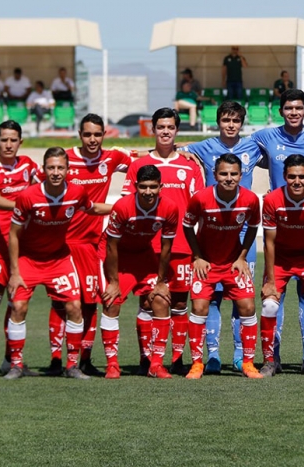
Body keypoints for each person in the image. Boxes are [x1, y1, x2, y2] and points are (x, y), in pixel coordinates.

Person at [251, 88, 304, 374]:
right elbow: (238, 151)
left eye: (298, 108)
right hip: (281, 238)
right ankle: (270, 359)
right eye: (288, 108)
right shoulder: (265, 137)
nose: (293, 112)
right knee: (270, 305)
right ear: (281, 111)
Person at [4, 147, 110, 380]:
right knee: (19, 308)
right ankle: (16, 365)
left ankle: (72, 366)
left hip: (59, 260)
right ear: (43, 170)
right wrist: (14, 272)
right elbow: (13, 234)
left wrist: (122, 207)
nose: (55, 172)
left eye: (60, 167)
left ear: (68, 170)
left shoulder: (76, 192)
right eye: (51, 167)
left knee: (74, 307)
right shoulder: (28, 196)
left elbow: (93, 208)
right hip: (28, 261)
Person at [42, 114, 135, 377]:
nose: (92, 139)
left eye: (97, 134)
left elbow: (142, 164)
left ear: (105, 134)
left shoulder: (112, 158)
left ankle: (84, 359)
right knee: (62, 302)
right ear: (79, 135)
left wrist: (184, 153)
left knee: (91, 301)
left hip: (93, 244)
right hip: (63, 243)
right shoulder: (64, 161)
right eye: (87, 134)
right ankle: (55, 360)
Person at [181, 101, 264, 373]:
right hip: (212, 231)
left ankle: (242, 356)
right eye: (226, 120)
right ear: (218, 122)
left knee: (244, 301)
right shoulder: (204, 146)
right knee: (211, 298)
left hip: (242, 239)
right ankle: (213, 354)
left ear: (242, 123)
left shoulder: (253, 145)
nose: (231, 125)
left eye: (236, 120)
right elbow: (172, 151)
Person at [122, 108, 204, 376]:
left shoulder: (190, 166)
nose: (165, 131)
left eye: (170, 127)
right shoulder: (138, 166)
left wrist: (197, 250)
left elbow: (198, 209)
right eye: (160, 127)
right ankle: (147, 358)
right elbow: (125, 205)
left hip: (180, 245)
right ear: (153, 130)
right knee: (147, 302)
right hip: (147, 247)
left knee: (180, 303)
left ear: (176, 130)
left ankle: (177, 358)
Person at [100, 165, 179, 379]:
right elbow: (110, 246)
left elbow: (166, 248)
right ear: (135, 187)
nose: (148, 192)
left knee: (160, 300)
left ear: (160, 186)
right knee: (112, 302)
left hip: (143, 254)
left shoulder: (170, 208)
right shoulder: (123, 206)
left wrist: (162, 281)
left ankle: (154, 363)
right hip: (117, 257)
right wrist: (114, 282)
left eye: (153, 187)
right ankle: (112, 364)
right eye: (143, 187)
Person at [259, 155, 304, 377]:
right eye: (292, 177)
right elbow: (269, 242)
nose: (297, 181)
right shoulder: (273, 200)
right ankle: (270, 361)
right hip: (281, 259)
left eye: (302, 176)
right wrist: (271, 281)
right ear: (284, 177)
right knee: (269, 306)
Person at [0, 120, 39, 378]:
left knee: (17, 303)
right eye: (4, 140)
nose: (9, 144)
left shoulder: (28, 165)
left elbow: (48, 184)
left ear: (20, 141)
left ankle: (10, 360)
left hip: (22, 246)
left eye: (14, 140)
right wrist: (26, 203)